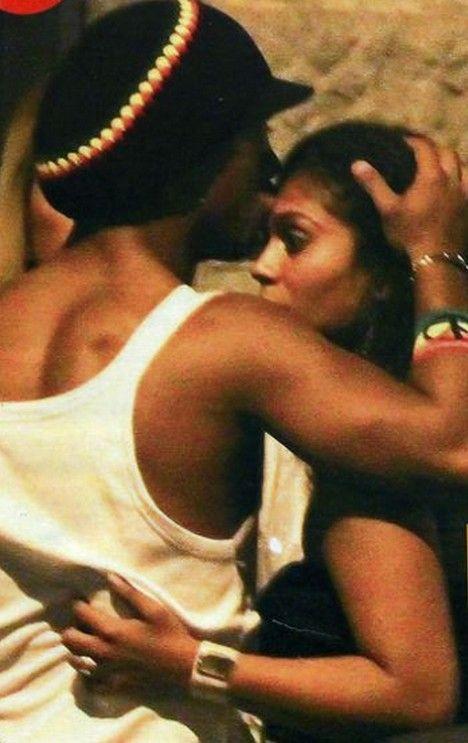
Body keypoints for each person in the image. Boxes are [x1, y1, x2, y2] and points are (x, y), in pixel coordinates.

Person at [0, 0, 467, 741]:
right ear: (199, 155)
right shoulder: (223, 341)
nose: (271, 172)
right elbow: (452, 444)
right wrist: (437, 253)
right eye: (255, 140)